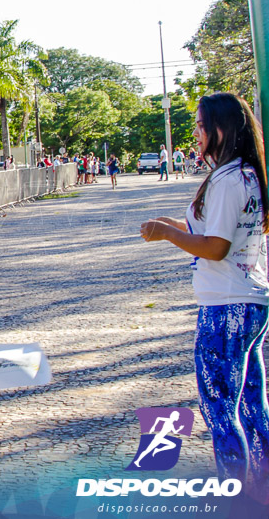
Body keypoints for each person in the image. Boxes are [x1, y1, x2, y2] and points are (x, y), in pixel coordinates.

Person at [140, 93, 269, 500]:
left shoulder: (230, 179)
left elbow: (216, 246)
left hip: (225, 305)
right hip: (250, 300)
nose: (194, 133)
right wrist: (171, 223)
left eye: (198, 125)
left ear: (220, 129)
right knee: (251, 403)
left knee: (219, 408)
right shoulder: (247, 174)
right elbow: (219, 230)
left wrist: (168, 234)